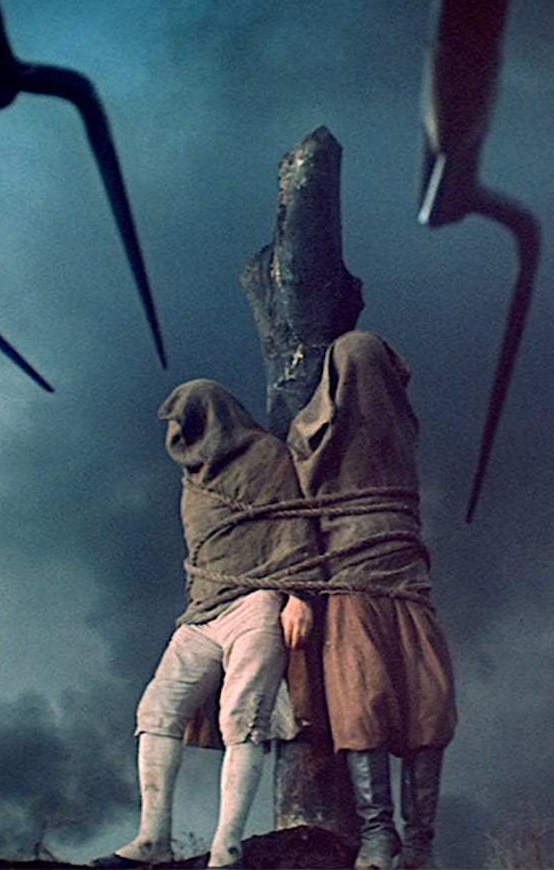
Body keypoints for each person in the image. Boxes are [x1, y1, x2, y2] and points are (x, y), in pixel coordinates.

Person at [96, 379, 321, 869]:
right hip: (203, 611)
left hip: (256, 601)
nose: (178, 435)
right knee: (157, 710)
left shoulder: (265, 455)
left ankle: (227, 847)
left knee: (243, 717)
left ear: (210, 418)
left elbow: (294, 524)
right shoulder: (194, 478)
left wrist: (299, 594)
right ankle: (153, 839)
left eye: (185, 423)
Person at [287, 331, 457, 870]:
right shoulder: (311, 436)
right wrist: (299, 593)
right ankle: (378, 834)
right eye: (354, 369)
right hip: (351, 590)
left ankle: (421, 843)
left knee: (430, 708)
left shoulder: (402, 430)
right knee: (361, 707)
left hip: (408, 586)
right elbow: (299, 521)